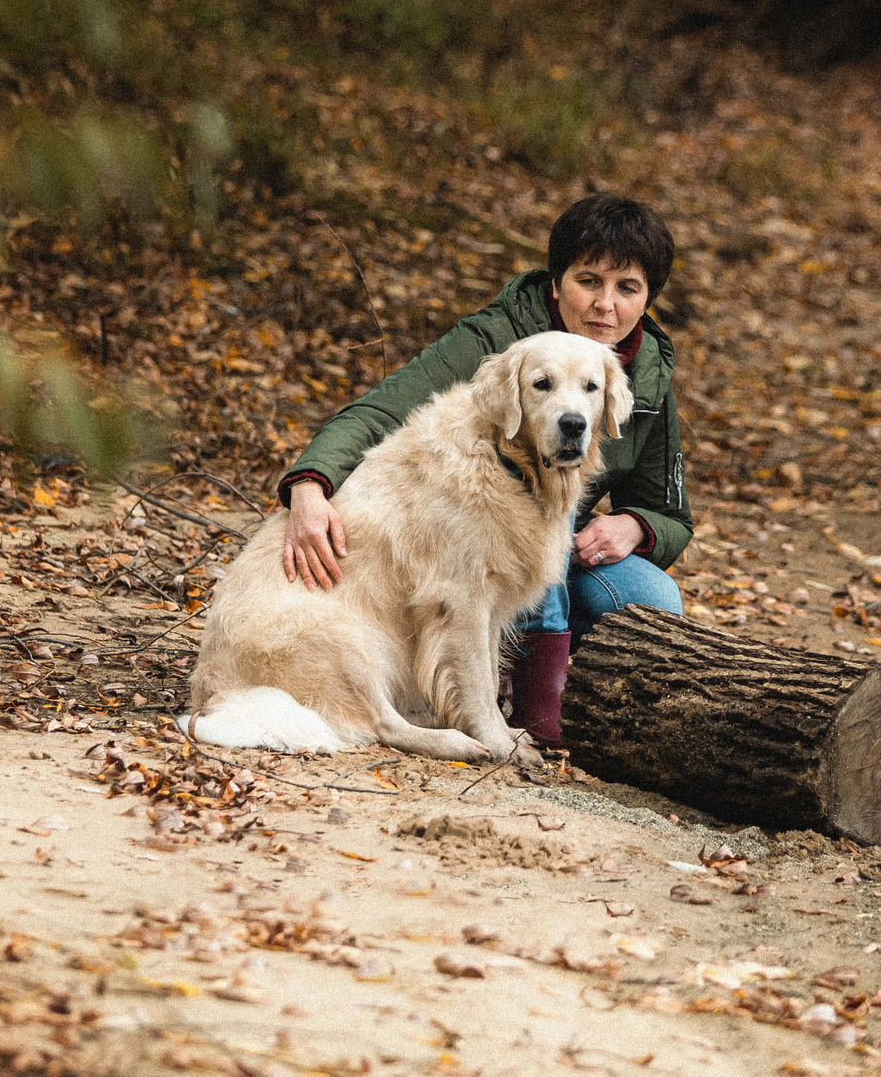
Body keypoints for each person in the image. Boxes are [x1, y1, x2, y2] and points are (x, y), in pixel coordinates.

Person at [275, 194, 690, 747]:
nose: (604, 306)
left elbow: (671, 513)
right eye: (588, 281)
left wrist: (635, 526)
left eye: (627, 289)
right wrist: (309, 483)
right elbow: (381, 411)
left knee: (655, 601)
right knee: (532, 533)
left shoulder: (648, 375)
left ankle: (593, 710)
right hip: (486, 532)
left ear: (646, 300)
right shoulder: (496, 340)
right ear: (556, 283)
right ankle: (533, 708)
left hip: (564, 545)